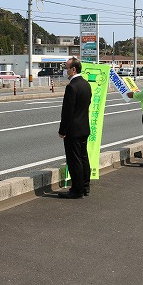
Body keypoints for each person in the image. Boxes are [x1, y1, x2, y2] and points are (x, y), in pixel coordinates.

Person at [58, 57, 92, 198]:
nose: (65, 70)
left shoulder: (72, 87)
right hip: (84, 127)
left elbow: (67, 111)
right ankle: (85, 186)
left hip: (73, 130)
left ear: (73, 69)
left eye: (66, 68)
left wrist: (62, 130)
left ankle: (76, 190)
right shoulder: (86, 84)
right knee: (84, 157)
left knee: (74, 160)